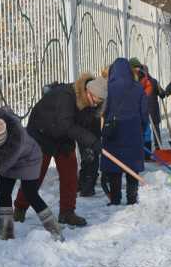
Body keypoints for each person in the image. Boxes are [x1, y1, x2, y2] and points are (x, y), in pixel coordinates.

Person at [13, 74, 107, 226]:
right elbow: (66, 125)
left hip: (63, 137)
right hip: (41, 133)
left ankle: (67, 212)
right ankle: (20, 208)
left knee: (70, 173)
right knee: (35, 175)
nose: (97, 103)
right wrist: (90, 140)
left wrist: (95, 144)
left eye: (100, 101)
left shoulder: (92, 105)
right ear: (89, 91)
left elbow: (91, 127)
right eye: (96, 99)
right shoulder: (66, 96)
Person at [0, 108, 63, 241]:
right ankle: (6, 231)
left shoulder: (17, 143)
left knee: (31, 194)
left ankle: (54, 229)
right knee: (3, 190)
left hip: (30, 160)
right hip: (8, 158)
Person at [100, 58, 148, 205]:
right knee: (132, 166)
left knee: (115, 167)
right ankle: (132, 198)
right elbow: (144, 113)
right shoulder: (139, 88)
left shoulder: (109, 88)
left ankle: (115, 199)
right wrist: (141, 128)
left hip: (114, 132)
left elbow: (103, 111)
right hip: (133, 132)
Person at [76, 74, 107, 197]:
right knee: (90, 159)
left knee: (89, 158)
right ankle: (87, 187)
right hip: (84, 132)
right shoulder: (83, 97)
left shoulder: (99, 94)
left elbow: (99, 114)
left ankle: (83, 184)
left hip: (92, 132)